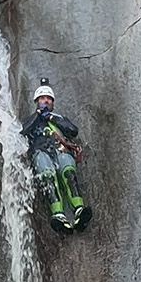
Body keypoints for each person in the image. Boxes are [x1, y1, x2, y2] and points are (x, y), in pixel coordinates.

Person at [21, 78, 91, 231]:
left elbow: (73, 131)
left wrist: (51, 117)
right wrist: (38, 116)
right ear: (36, 101)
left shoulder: (59, 118)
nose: (45, 101)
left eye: (48, 99)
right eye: (42, 98)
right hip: (40, 152)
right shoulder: (31, 120)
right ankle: (58, 213)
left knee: (68, 173)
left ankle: (79, 209)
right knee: (48, 175)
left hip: (60, 150)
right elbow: (22, 130)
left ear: (52, 102)